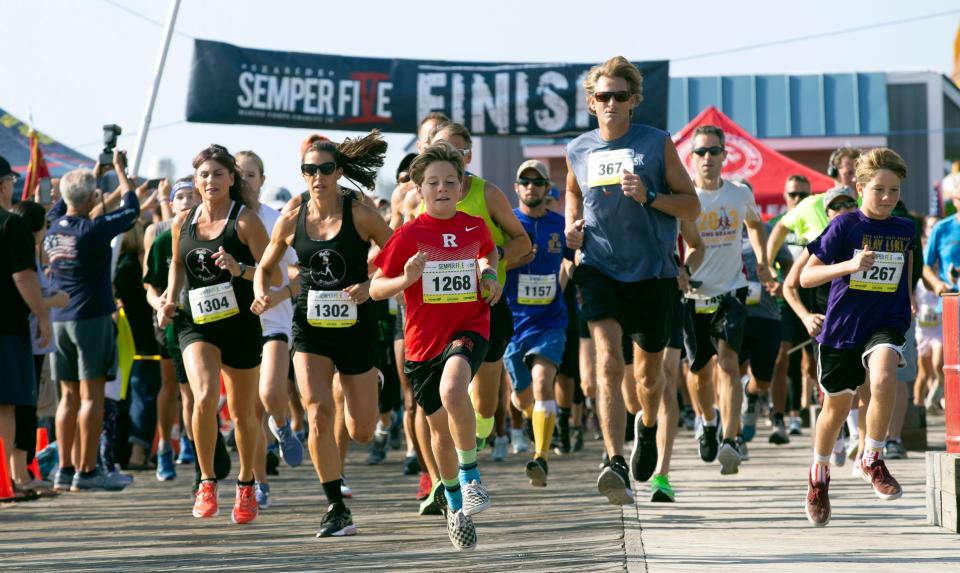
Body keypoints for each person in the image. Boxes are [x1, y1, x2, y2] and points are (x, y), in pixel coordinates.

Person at [565, 56, 700, 504]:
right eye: (602, 96)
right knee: (606, 362)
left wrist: (651, 195)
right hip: (599, 267)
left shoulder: (656, 143)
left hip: (652, 273)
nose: (610, 103)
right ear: (591, 102)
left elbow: (691, 205)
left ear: (634, 100)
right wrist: (572, 226)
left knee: (648, 379)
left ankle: (646, 427)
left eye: (619, 96)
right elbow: (572, 190)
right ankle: (612, 459)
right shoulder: (578, 149)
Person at [252, 131, 391, 537]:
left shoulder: (360, 213)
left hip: (356, 327)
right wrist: (261, 292)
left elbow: (394, 250)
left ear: (339, 172)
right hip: (310, 326)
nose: (318, 176)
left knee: (360, 430)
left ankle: (370, 383)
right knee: (316, 410)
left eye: (326, 169)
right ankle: (335, 505)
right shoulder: (292, 220)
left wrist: (371, 282)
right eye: (309, 169)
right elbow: (264, 265)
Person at [371, 142, 501, 551]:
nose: (442, 188)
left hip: (469, 327)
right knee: (438, 432)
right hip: (422, 344)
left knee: (453, 388)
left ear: (461, 187)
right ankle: (455, 502)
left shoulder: (474, 226)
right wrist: (406, 279)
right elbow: (376, 289)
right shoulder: (408, 235)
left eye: (449, 181)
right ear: (419, 189)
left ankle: (470, 477)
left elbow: (489, 252)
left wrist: (489, 275)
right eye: (433, 183)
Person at [158, 144, 270, 524]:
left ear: (232, 179)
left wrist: (240, 269)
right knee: (204, 396)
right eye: (203, 175)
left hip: (239, 324)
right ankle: (206, 481)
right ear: (195, 179)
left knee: (243, 414)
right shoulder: (182, 222)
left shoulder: (246, 222)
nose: (210, 181)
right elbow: (176, 264)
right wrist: (168, 299)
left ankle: (246, 484)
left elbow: (272, 273)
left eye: (218, 174)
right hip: (196, 322)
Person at [800, 148, 912, 526]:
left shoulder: (904, 229)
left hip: (885, 323)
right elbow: (805, 277)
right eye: (879, 189)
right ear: (860, 187)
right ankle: (818, 476)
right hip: (843, 328)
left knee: (883, 377)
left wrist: (907, 304)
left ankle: (872, 457)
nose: (887, 198)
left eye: (894, 191)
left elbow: (906, 273)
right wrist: (849, 265)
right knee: (835, 409)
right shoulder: (844, 226)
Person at [425, 121, 531, 457]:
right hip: (439, 310)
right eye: (441, 148)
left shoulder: (487, 193)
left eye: (456, 151)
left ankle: (481, 424)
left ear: (468, 156)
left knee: (484, 405)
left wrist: (494, 258)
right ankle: (448, 474)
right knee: (444, 394)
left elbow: (522, 242)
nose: (448, 156)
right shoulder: (421, 195)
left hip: (487, 303)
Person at [44, 152, 144, 492]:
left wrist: (92, 174)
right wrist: (118, 171)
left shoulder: (54, 226)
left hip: (60, 319)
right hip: (91, 317)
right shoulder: (94, 230)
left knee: (67, 398)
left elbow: (61, 204)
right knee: (92, 397)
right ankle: (87, 471)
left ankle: (64, 468)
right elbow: (132, 209)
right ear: (91, 198)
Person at [679, 126, 772, 476]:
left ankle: (731, 439)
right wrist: (679, 271)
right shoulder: (684, 196)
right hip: (693, 293)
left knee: (729, 364)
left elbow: (756, 225)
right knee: (699, 371)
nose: (707, 158)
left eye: (713, 151)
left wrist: (761, 262)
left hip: (731, 290)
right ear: (691, 158)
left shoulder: (738, 193)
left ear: (724, 155)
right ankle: (706, 421)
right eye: (700, 152)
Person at [236, 150, 303, 510]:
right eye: (240, 174)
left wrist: (276, 292)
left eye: (251, 174)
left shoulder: (276, 220)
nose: (245, 180)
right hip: (236, 322)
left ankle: (283, 426)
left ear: (262, 180)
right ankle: (259, 482)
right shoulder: (224, 220)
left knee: (271, 392)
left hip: (274, 319)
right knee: (248, 412)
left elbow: (296, 273)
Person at [503, 159, 572, 487]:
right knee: (521, 398)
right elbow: (489, 262)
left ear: (547, 189)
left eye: (538, 182)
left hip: (549, 321)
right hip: (511, 324)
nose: (531, 187)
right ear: (516, 188)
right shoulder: (505, 224)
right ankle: (537, 421)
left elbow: (574, 260)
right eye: (525, 181)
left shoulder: (560, 225)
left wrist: (566, 277)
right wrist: (516, 259)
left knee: (544, 382)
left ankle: (540, 457)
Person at [0, 157, 53, 500]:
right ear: (5, 185)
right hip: (6, 326)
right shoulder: (11, 225)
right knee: (5, 405)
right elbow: (23, 276)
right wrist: (43, 315)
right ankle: (7, 482)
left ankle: (12, 480)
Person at [8, 200, 67, 495]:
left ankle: (20, 475)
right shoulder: (23, 252)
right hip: (28, 338)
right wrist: (54, 302)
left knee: (24, 409)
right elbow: (28, 294)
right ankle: (19, 476)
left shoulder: (30, 251)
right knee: (23, 408)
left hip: (29, 339)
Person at [767, 175, 812, 441]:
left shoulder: (818, 222)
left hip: (814, 299)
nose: (797, 200)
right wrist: (771, 281)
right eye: (793, 194)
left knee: (814, 362)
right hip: (784, 300)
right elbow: (763, 258)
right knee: (781, 357)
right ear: (784, 196)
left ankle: (812, 412)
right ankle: (779, 419)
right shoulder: (775, 225)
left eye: (803, 195)